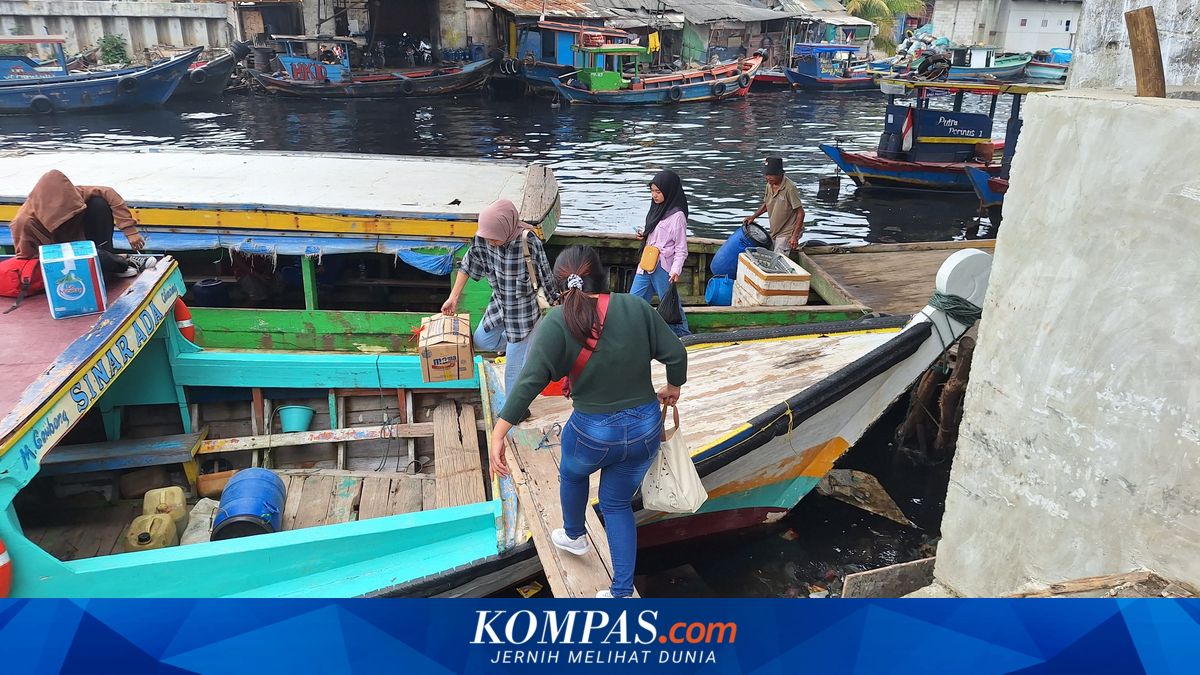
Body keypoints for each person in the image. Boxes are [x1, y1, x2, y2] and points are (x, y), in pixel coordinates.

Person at [489, 245, 687, 598]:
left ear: (560, 285)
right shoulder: (636, 307)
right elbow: (676, 353)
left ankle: (574, 534)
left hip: (594, 432)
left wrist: (499, 433)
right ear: (604, 275)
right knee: (615, 504)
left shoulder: (555, 322)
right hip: (644, 428)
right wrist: (671, 388)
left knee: (573, 472)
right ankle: (621, 593)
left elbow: (529, 382)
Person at [442, 199, 557, 396]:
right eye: (488, 239)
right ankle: (527, 346)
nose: (490, 243)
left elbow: (546, 276)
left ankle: (516, 412)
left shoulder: (528, 241)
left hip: (524, 312)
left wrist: (557, 307)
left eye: (494, 239)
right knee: (481, 340)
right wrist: (453, 297)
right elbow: (468, 264)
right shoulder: (484, 237)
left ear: (506, 227)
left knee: (512, 372)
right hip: (500, 303)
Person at [8, 170, 152, 277]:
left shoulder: (74, 193)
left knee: (98, 203)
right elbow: (27, 259)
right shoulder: (24, 223)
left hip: (85, 244)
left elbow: (109, 193)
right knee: (100, 259)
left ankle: (109, 258)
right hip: (61, 258)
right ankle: (119, 260)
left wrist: (130, 231)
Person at [631, 170, 690, 337]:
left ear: (669, 190)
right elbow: (655, 234)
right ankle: (630, 333)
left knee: (670, 305)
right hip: (647, 263)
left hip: (663, 268)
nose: (654, 196)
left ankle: (684, 336)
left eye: (658, 191)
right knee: (633, 301)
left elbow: (681, 249)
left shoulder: (677, 216)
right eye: (652, 191)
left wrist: (675, 270)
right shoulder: (656, 209)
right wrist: (645, 234)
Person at [743, 157, 806, 254]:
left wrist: (794, 236)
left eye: (771, 175)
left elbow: (800, 213)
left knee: (778, 258)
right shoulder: (769, 185)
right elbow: (766, 204)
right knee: (766, 253)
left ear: (780, 174)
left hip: (788, 231)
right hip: (775, 231)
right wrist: (753, 217)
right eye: (766, 175)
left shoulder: (790, 188)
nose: (768, 178)